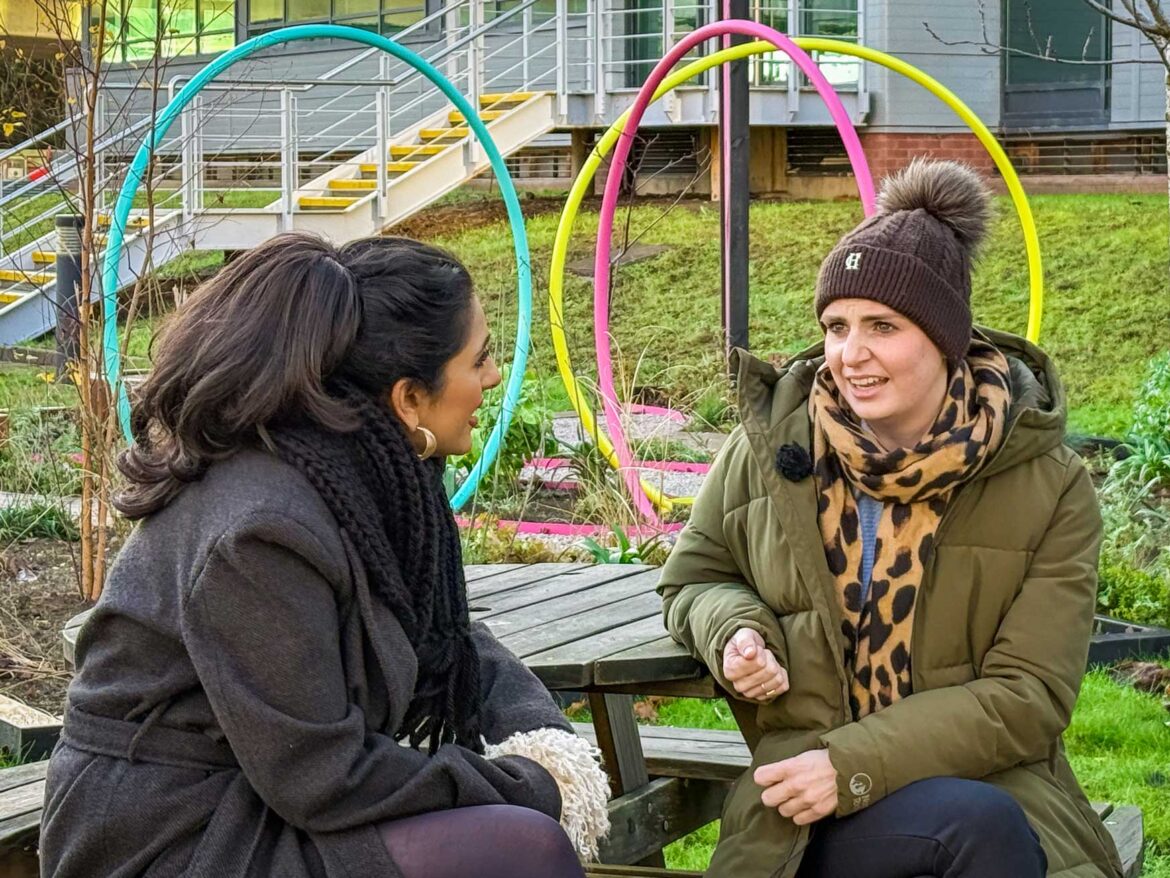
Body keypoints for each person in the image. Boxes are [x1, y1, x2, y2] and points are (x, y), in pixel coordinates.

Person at [40, 234, 609, 878]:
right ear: (408, 398)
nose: (494, 377)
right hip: (172, 833)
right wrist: (526, 784)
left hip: (263, 797)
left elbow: (441, 634)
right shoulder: (261, 531)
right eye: (479, 360)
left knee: (515, 834)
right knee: (520, 845)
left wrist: (544, 739)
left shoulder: (352, 474)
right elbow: (322, 776)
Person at [658, 159, 1123, 878]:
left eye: (883, 326)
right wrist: (734, 631)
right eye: (836, 326)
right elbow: (693, 578)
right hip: (802, 815)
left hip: (985, 785)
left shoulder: (1047, 484)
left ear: (944, 339)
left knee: (976, 826)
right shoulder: (775, 448)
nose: (851, 355)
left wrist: (850, 762)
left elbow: (1029, 696)